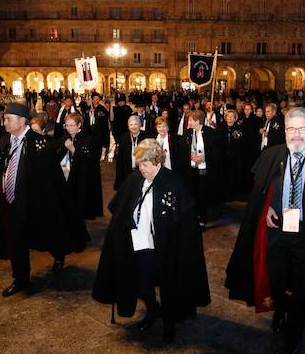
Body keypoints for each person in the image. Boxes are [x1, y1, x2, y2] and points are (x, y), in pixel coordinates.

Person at [225, 107, 305, 354]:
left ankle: (294, 330)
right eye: (291, 128)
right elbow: (259, 196)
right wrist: (267, 208)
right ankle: (281, 308)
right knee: (275, 278)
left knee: (304, 283)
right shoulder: (271, 155)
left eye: (303, 129)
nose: (296, 135)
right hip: (276, 233)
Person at [93, 139, 211, 342]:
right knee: (141, 282)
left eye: (145, 164)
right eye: (139, 164)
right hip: (140, 244)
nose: (142, 169)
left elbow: (186, 223)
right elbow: (120, 213)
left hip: (166, 247)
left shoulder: (174, 184)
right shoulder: (134, 180)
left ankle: (169, 321)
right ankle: (154, 310)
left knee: (169, 284)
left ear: (158, 162)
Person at [0, 104, 87, 296]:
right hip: (12, 202)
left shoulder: (40, 143)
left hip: (37, 202)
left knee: (48, 232)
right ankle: (20, 279)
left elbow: (50, 178)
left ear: (21, 121)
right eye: (4, 119)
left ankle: (58, 253)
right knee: (16, 240)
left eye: (7, 119)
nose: (4, 122)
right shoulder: (5, 142)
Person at [55, 112, 103, 221]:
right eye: (67, 125)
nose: (69, 128)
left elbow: (91, 160)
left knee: (80, 207)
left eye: (72, 125)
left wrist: (73, 149)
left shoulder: (88, 139)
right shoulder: (64, 138)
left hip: (82, 179)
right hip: (66, 178)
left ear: (79, 125)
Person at [184, 110, 220, 226]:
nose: (188, 122)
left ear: (197, 121)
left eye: (190, 120)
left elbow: (216, 151)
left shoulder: (210, 133)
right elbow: (183, 149)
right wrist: (190, 155)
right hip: (191, 168)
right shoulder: (188, 133)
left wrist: (203, 157)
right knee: (192, 192)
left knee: (202, 193)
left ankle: (202, 219)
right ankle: (194, 215)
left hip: (204, 168)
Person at [216, 109, 247, 202]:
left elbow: (241, 142)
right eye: (228, 116)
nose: (229, 118)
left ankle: (232, 194)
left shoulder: (239, 128)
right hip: (223, 156)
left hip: (235, 156)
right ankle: (223, 193)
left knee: (233, 174)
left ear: (235, 118)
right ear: (225, 117)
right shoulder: (221, 126)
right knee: (223, 174)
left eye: (232, 116)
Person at [114, 115, 145, 190]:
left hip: (142, 171)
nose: (133, 127)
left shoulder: (145, 136)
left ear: (139, 125)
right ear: (128, 127)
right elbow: (120, 159)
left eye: (135, 124)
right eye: (131, 125)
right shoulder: (123, 137)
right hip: (127, 170)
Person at [84, 93, 110, 161]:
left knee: (100, 143)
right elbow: (85, 119)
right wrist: (89, 113)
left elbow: (104, 119)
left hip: (99, 130)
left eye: (98, 98)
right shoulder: (88, 108)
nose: (96, 100)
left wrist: (95, 113)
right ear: (92, 99)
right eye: (95, 98)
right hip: (90, 130)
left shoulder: (102, 108)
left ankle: (101, 154)